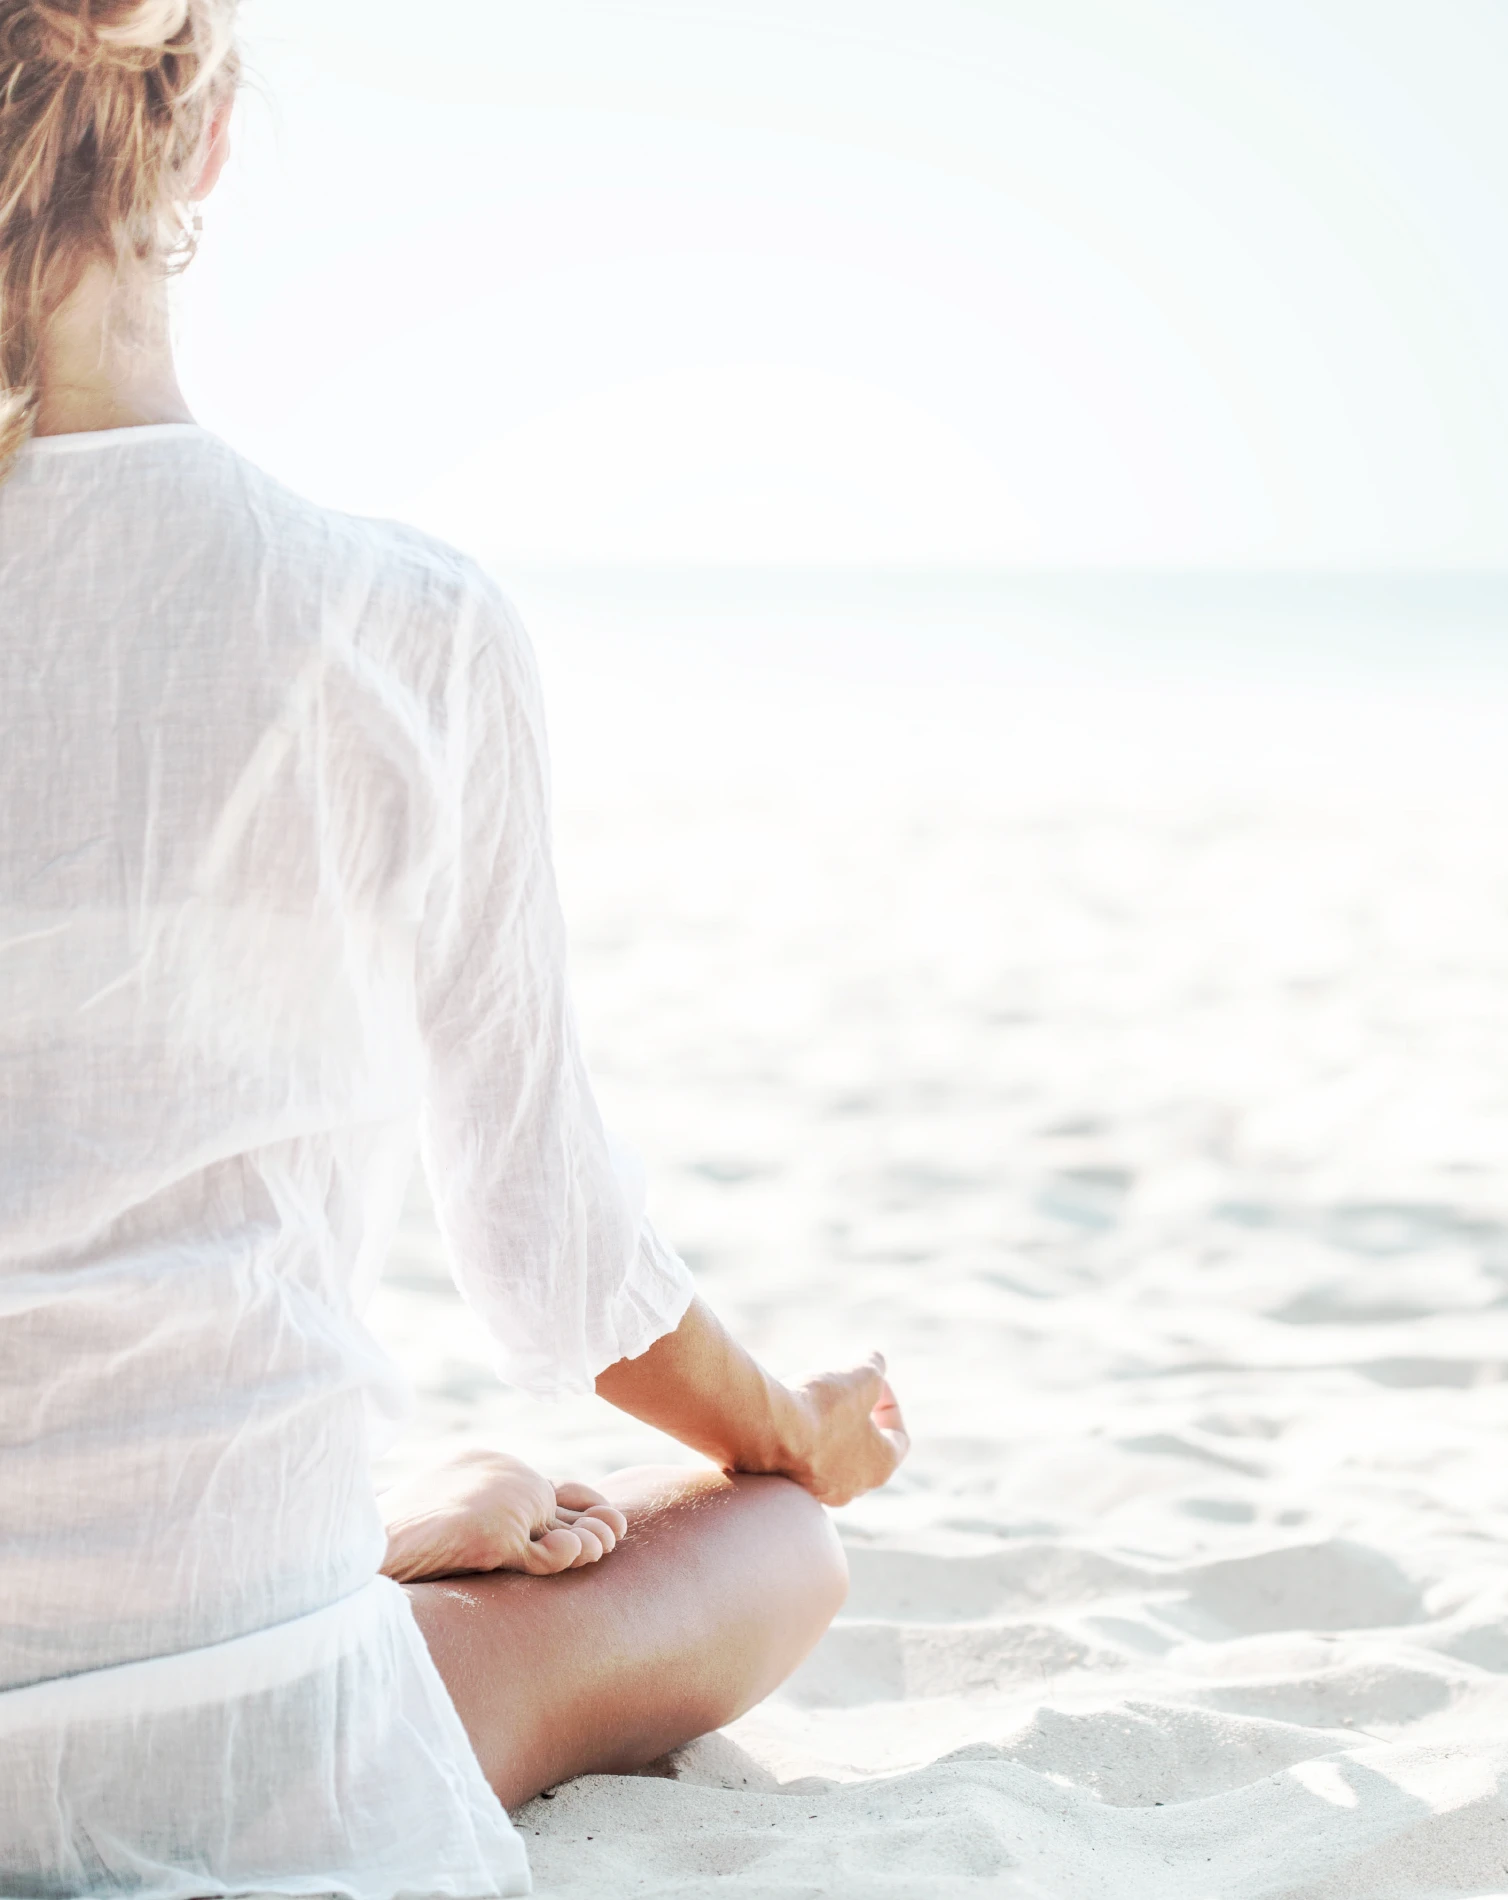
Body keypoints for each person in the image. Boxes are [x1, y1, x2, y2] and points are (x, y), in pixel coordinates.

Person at [0, 1, 908, 1892]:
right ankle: (387, 1530)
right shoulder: (400, 625)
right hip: (247, 1716)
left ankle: (399, 1521)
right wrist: (795, 1427)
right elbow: (565, 1270)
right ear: (208, 145)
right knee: (774, 1544)